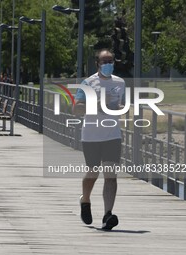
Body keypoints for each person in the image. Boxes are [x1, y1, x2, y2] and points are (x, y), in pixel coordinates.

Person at [73, 49, 125, 230]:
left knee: (111, 176)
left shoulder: (120, 83)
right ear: (97, 64)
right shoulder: (88, 83)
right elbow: (77, 109)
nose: (108, 64)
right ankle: (85, 200)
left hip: (113, 136)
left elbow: (121, 106)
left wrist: (120, 107)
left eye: (111, 61)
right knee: (92, 174)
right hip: (91, 136)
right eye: (104, 61)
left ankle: (107, 215)